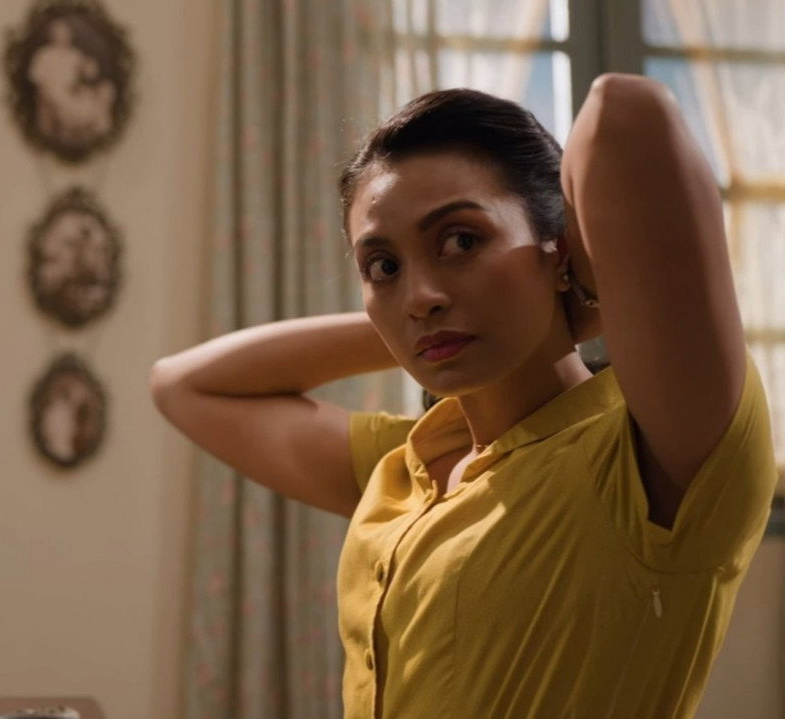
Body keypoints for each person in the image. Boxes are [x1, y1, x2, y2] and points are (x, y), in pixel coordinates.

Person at [150, 74, 777, 718]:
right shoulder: (405, 467)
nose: (420, 295)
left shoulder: (656, 461)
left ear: (561, 249)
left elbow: (626, 113)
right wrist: (423, 325)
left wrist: (587, 289)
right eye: (383, 266)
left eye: (461, 240)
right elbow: (183, 385)